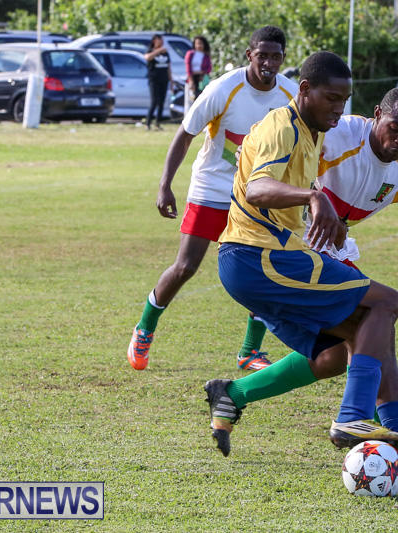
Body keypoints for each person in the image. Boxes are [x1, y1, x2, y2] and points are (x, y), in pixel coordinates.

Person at [205, 52, 398, 492]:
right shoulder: (297, 128)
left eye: (343, 100)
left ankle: (234, 394)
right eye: (332, 99)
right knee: (385, 305)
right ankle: (356, 421)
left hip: (277, 256)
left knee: (344, 349)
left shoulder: (315, 131)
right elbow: (257, 187)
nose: (338, 109)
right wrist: (314, 198)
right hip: (261, 256)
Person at [127, 26, 298, 371]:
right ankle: (144, 328)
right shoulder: (223, 88)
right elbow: (185, 134)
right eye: (262, 55)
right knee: (186, 267)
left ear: (283, 58)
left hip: (256, 194)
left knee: (265, 270)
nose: (268, 62)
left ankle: (249, 351)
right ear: (249, 55)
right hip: (213, 188)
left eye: (275, 56)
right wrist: (165, 185)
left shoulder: (290, 94)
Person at [144, 34, 172, 131]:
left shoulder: (165, 53)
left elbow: (168, 67)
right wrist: (159, 51)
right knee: (154, 101)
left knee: (161, 102)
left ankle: (158, 123)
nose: (161, 42)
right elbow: (147, 57)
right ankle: (148, 123)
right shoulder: (150, 51)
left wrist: (171, 80)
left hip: (164, 80)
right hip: (154, 80)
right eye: (159, 39)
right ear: (154, 40)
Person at [185, 35, 213, 101]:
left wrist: (202, 73)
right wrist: (191, 81)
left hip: (202, 79)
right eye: (197, 44)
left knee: (201, 98)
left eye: (201, 43)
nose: (199, 46)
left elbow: (209, 68)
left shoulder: (206, 55)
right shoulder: (190, 54)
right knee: (191, 98)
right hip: (192, 77)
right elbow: (188, 67)